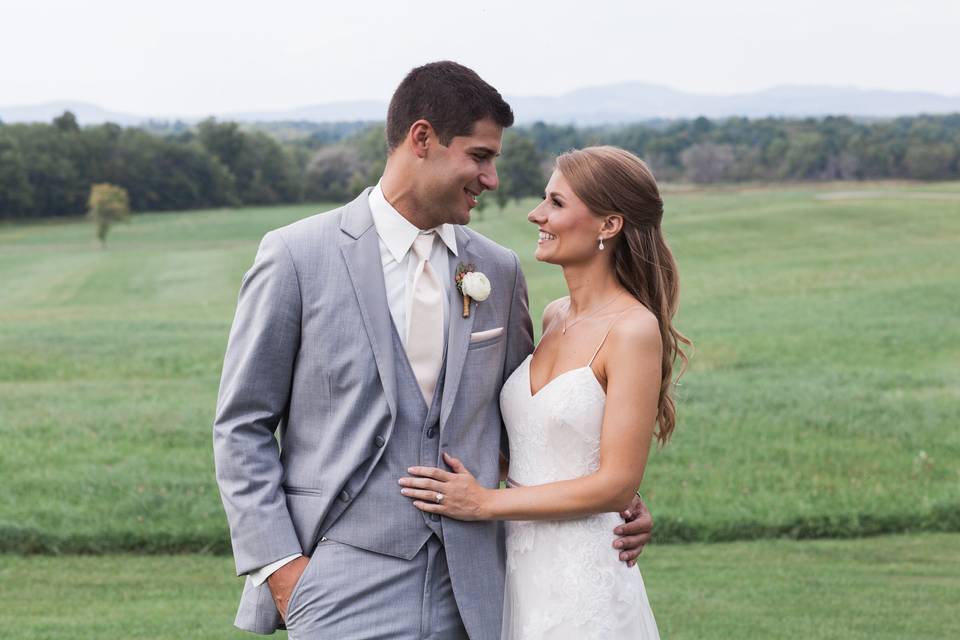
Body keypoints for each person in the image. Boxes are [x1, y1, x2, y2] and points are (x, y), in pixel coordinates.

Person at [213, 62, 653, 639]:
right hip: (336, 582)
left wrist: (615, 498)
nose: (491, 178)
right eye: (480, 156)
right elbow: (242, 425)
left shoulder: (497, 269)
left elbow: (523, 419)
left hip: (479, 589)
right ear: (422, 139)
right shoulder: (296, 257)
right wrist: (282, 570)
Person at [401, 146, 689, 639]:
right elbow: (546, 442)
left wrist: (483, 503)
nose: (537, 214)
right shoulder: (555, 315)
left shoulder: (632, 329)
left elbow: (616, 484)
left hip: (582, 577)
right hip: (516, 566)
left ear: (609, 225)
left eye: (556, 203)